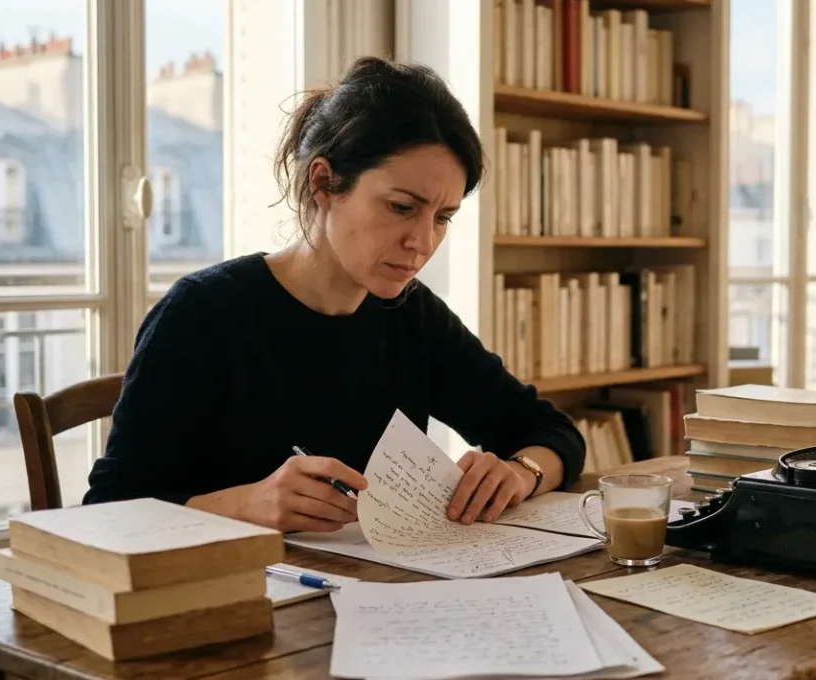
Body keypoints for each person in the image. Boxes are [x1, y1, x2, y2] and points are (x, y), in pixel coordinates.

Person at [81, 57, 585, 532]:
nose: (423, 243)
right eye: (401, 207)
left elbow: (551, 432)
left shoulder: (411, 314)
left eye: (442, 218)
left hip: (365, 593)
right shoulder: (201, 313)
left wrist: (522, 472)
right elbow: (110, 511)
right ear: (323, 181)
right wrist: (247, 504)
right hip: (225, 603)